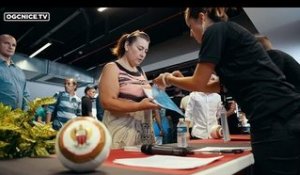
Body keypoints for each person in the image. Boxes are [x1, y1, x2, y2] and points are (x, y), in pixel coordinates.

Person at [153, 7, 300, 175]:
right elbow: (207, 86)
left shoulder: (215, 30)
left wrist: (167, 79)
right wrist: (180, 80)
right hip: (284, 116)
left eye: (190, 27)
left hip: (274, 118)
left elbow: (198, 82)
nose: (191, 34)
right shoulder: (231, 36)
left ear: (202, 17)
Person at [99, 30, 159, 149]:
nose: (143, 54)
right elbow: (107, 102)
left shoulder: (141, 71)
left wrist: (160, 88)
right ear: (127, 46)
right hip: (120, 134)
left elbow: (149, 96)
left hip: (143, 135)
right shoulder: (112, 68)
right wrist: (138, 106)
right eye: (140, 48)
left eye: (146, 51)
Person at [184, 74, 235, 139]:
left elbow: (220, 115)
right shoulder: (194, 95)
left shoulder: (217, 97)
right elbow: (188, 115)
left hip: (214, 133)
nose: (213, 82)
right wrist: (186, 132)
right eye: (211, 79)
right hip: (199, 134)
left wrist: (231, 111)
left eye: (214, 79)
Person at [0, 34, 30, 110]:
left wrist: (25, 113)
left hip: (17, 117)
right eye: (6, 43)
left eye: (13, 45)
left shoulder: (19, 71)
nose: (10, 47)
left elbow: (25, 95)